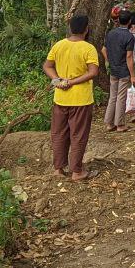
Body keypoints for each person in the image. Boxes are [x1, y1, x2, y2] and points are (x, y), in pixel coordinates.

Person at [42, 14, 101, 181]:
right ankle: (77, 171)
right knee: (78, 134)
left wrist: (57, 80)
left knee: (59, 133)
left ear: (70, 28)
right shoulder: (88, 48)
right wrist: (72, 82)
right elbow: (93, 72)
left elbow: (47, 66)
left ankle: (58, 169)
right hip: (81, 100)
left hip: (60, 98)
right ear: (86, 29)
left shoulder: (59, 45)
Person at [101, 10, 135, 133]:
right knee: (121, 97)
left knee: (113, 96)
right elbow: (129, 57)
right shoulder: (129, 36)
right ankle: (120, 124)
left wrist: (108, 61)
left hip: (113, 69)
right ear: (129, 22)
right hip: (123, 71)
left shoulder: (111, 33)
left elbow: (103, 50)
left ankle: (109, 123)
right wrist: (133, 75)